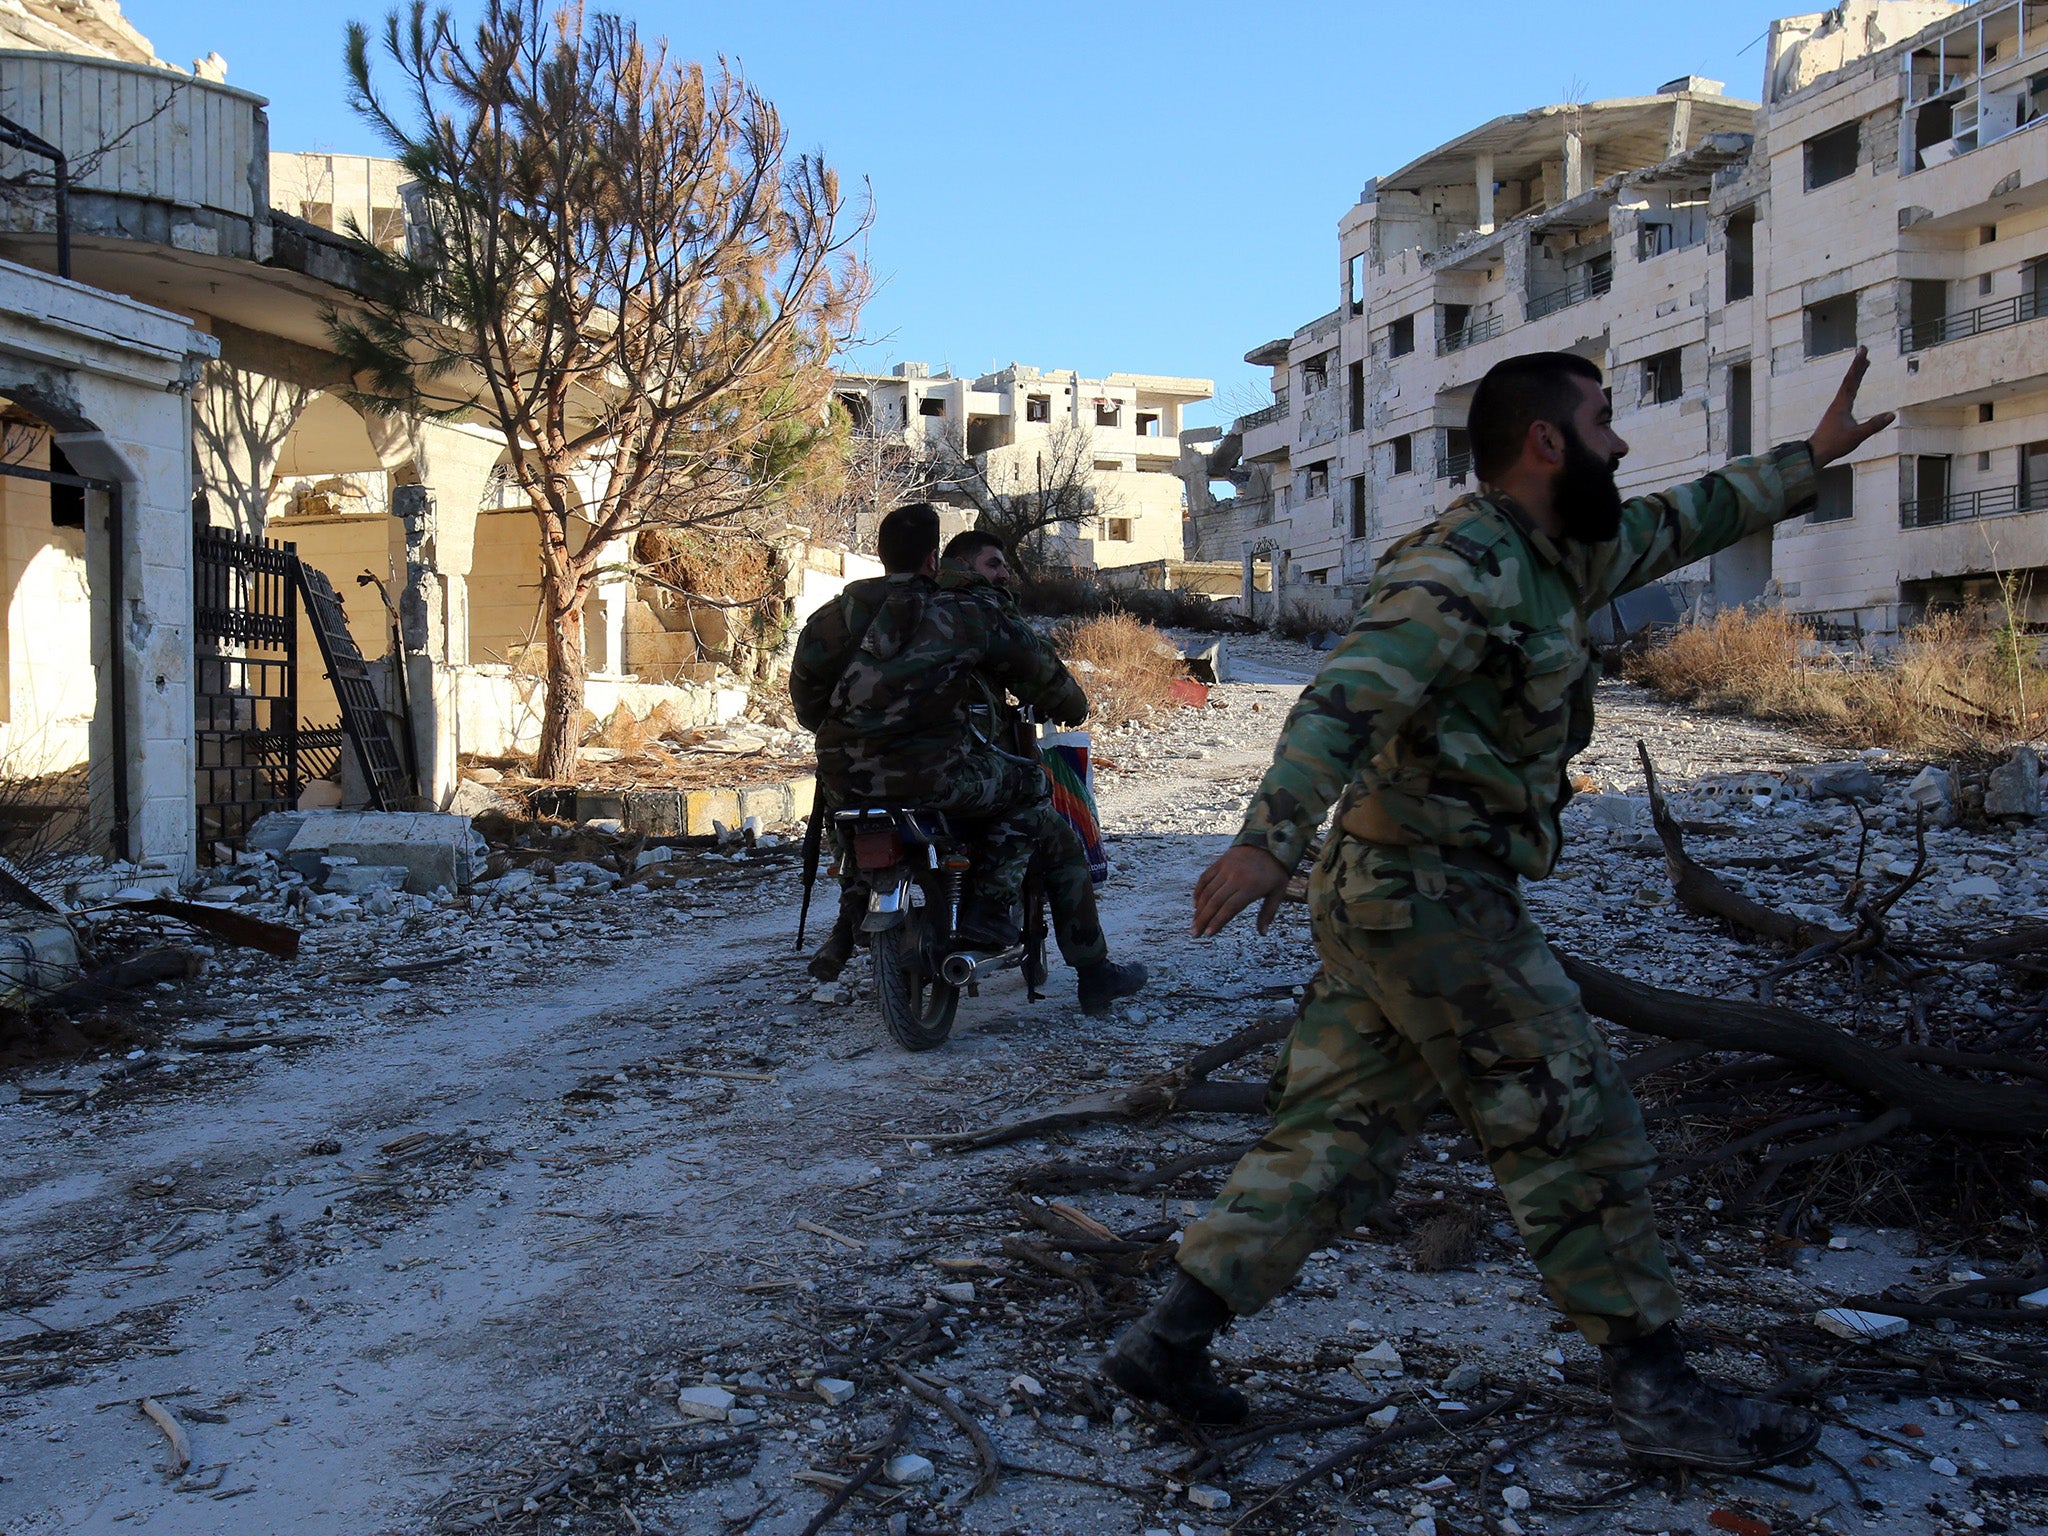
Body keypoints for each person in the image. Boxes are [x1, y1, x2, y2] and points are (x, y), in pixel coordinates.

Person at [1101, 348, 1893, 1472]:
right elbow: (1345, 697)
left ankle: (1166, 1338)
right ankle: (1656, 1392)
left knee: (1337, 1134)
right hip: (1428, 901)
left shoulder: (1557, 552)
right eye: (1605, 422)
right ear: (1544, 442)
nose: (1620, 444)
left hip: (1395, 896)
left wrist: (1804, 460)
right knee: (1568, 1116)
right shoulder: (1461, 565)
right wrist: (1264, 840)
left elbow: (1681, 522)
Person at [940, 528, 1147, 1015]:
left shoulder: (885, 609)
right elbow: (1039, 669)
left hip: (871, 769)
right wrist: (1074, 706)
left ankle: (847, 932)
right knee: (1048, 820)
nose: (1004, 574)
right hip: (964, 766)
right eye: (994, 564)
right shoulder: (981, 609)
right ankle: (1091, 972)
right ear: (960, 564)